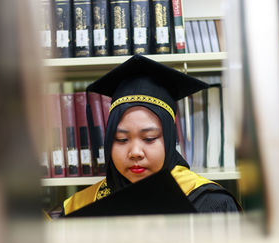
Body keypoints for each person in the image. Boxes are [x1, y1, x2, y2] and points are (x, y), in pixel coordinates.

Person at [62, 55, 241, 216]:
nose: (135, 152)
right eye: (121, 139)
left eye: (149, 138)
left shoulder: (209, 203)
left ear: (170, 140)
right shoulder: (81, 206)